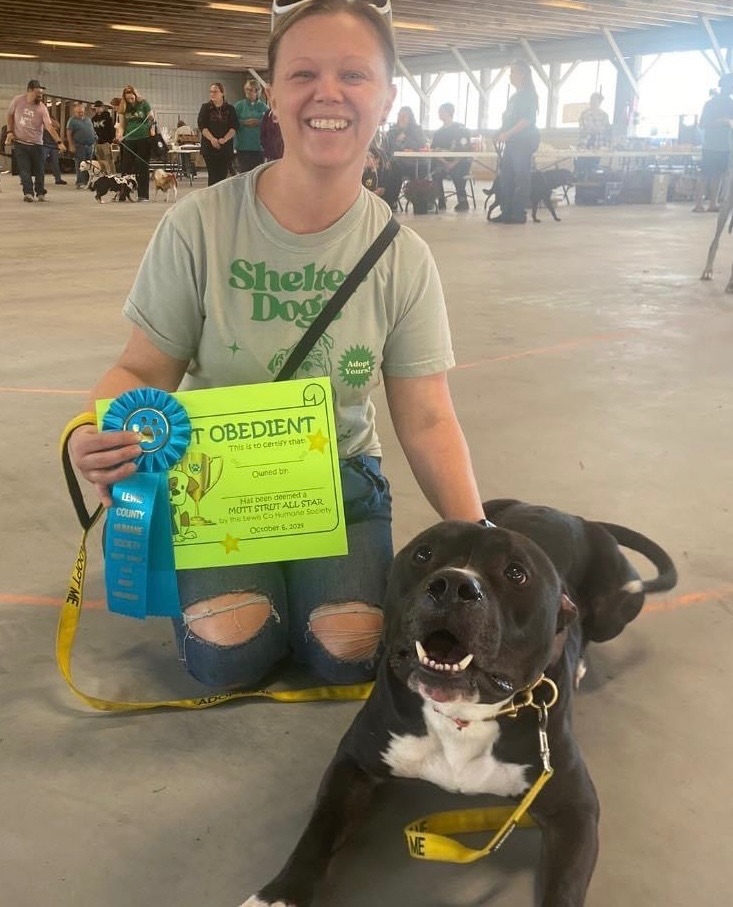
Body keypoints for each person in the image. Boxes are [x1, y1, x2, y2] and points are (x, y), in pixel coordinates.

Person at [66, 0, 486, 693]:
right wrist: (98, 428)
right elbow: (141, 366)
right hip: (218, 487)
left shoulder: (403, 257)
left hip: (342, 483)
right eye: (303, 73)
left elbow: (427, 415)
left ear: (386, 96)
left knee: (350, 652)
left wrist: (479, 540)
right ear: (269, 94)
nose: (328, 92)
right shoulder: (196, 226)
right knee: (229, 654)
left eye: (354, 74)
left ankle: (310, 587)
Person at [493, 60, 541, 224]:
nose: (510, 76)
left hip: (523, 142)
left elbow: (526, 120)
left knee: (521, 178)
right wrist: (501, 131)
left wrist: (507, 133)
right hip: (512, 142)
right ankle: (506, 211)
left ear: (522, 75)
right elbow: (510, 119)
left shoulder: (528, 96)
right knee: (506, 178)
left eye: (513, 72)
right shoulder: (514, 97)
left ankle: (518, 213)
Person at [5, 79, 66, 202]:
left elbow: (49, 126)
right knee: (24, 169)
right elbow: (10, 114)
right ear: (29, 90)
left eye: (41, 94)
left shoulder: (42, 107)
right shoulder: (18, 100)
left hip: (37, 144)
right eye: (38, 93)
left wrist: (59, 142)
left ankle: (40, 192)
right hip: (20, 143)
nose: (40, 96)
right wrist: (10, 131)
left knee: (39, 170)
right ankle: (28, 193)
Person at [693, 72, 733, 213]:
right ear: (723, 85)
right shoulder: (711, 104)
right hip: (711, 145)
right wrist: (722, 121)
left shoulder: (731, 104)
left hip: (726, 146)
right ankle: (698, 204)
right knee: (705, 174)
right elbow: (703, 124)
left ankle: (713, 203)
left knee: (719, 175)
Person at [381, 105, 427, 209]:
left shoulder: (417, 130)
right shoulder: (392, 131)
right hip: (398, 163)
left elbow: (422, 145)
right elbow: (387, 148)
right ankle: (391, 201)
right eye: (399, 115)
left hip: (416, 163)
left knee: (421, 172)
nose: (401, 118)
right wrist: (397, 141)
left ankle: (420, 202)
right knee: (392, 171)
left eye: (404, 116)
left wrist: (406, 140)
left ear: (410, 117)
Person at [430, 102, 473, 212]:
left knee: (457, 172)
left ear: (449, 113)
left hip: (459, 162)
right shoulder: (438, 132)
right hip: (443, 162)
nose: (439, 113)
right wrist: (445, 162)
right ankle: (441, 200)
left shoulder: (460, 129)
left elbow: (464, 149)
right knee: (436, 173)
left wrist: (453, 163)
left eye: (441, 111)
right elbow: (433, 150)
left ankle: (462, 201)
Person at [116, 85, 154, 202]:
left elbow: (151, 118)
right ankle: (123, 193)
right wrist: (119, 136)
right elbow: (122, 125)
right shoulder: (123, 107)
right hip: (129, 139)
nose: (131, 100)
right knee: (126, 166)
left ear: (135, 95)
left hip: (144, 138)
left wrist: (151, 123)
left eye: (132, 98)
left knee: (142, 166)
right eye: (128, 99)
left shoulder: (144, 103)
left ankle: (143, 195)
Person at [197, 82, 238, 186]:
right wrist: (212, 139)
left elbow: (234, 127)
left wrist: (225, 138)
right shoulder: (205, 107)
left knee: (222, 176)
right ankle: (212, 199)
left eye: (215, 91)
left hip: (225, 146)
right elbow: (202, 126)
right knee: (213, 175)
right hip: (209, 146)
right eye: (211, 92)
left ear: (222, 93)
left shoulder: (230, 109)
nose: (212, 94)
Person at [234, 79, 268, 173]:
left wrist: (259, 122)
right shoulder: (239, 106)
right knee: (244, 173)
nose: (248, 92)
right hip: (243, 147)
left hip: (259, 147)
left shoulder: (264, 107)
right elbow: (233, 123)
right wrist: (244, 123)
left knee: (258, 174)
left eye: (251, 90)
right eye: (247, 89)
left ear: (257, 91)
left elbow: (269, 124)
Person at [65, 101, 96, 188]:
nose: (81, 112)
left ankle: (88, 181)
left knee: (89, 164)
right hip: (79, 145)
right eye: (79, 111)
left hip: (90, 145)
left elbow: (92, 130)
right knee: (81, 164)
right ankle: (80, 182)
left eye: (82, 110)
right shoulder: (72, 120)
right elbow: (69, 133)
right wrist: (71, 145)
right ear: (75, 111)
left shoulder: (88, 119)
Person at [90, 100, 116, 174]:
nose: (98, 109)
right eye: (96, 107)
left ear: (103, 107)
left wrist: (111, 140)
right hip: (97, 142)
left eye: (99, 107)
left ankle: (112, 174)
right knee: (100, 160)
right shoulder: (93, 119)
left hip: (106, 142)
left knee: (108, 159)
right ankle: (104, 174)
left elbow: (111, 129)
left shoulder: (107, 117)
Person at [42, 117, 67, 185]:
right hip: (44, 144)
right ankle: (39, 179)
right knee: (41, 162)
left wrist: (52, 122)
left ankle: (58, 179)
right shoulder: (41, 119)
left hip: (54, 145)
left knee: (55, 162)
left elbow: (58, 126)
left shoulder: (51, 118)